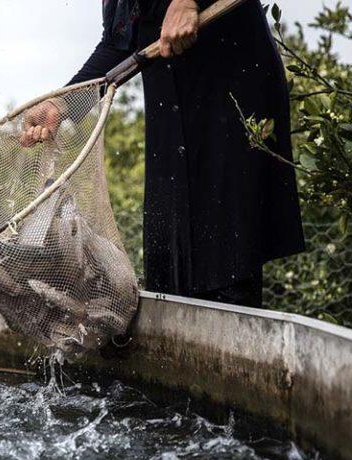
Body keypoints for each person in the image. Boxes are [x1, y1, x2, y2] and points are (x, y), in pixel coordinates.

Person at [21, 0, 304, 309]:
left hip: (229, 93)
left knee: (227, 256)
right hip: (170, 105)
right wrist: (62, 104)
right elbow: (119, 42)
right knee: (170, 257)